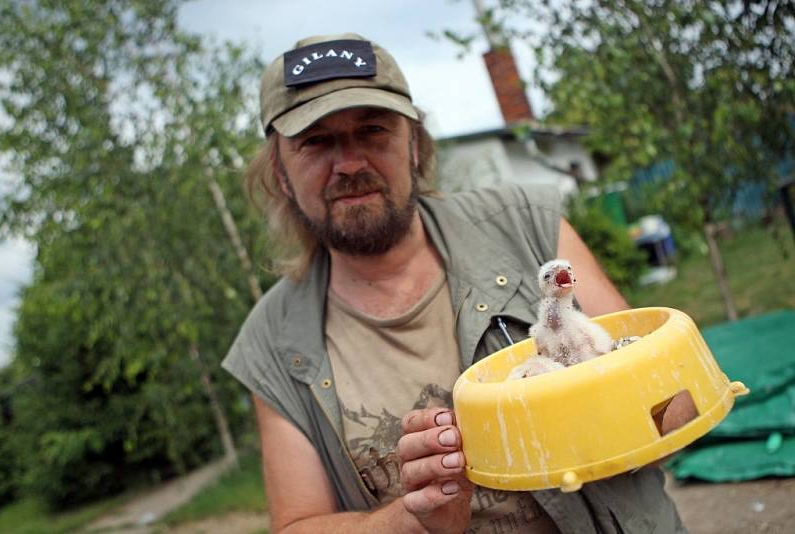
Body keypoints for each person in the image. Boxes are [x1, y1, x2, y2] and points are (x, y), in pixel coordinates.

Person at [223, 32, 692, 533]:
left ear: (415, 144)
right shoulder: (270, 342)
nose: (350, 163)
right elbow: (296, 525)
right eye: (316, 142)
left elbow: (671, 408)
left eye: (374, 130)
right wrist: (413, 518)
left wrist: (630, 410)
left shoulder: (529, 224)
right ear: (279, 168)